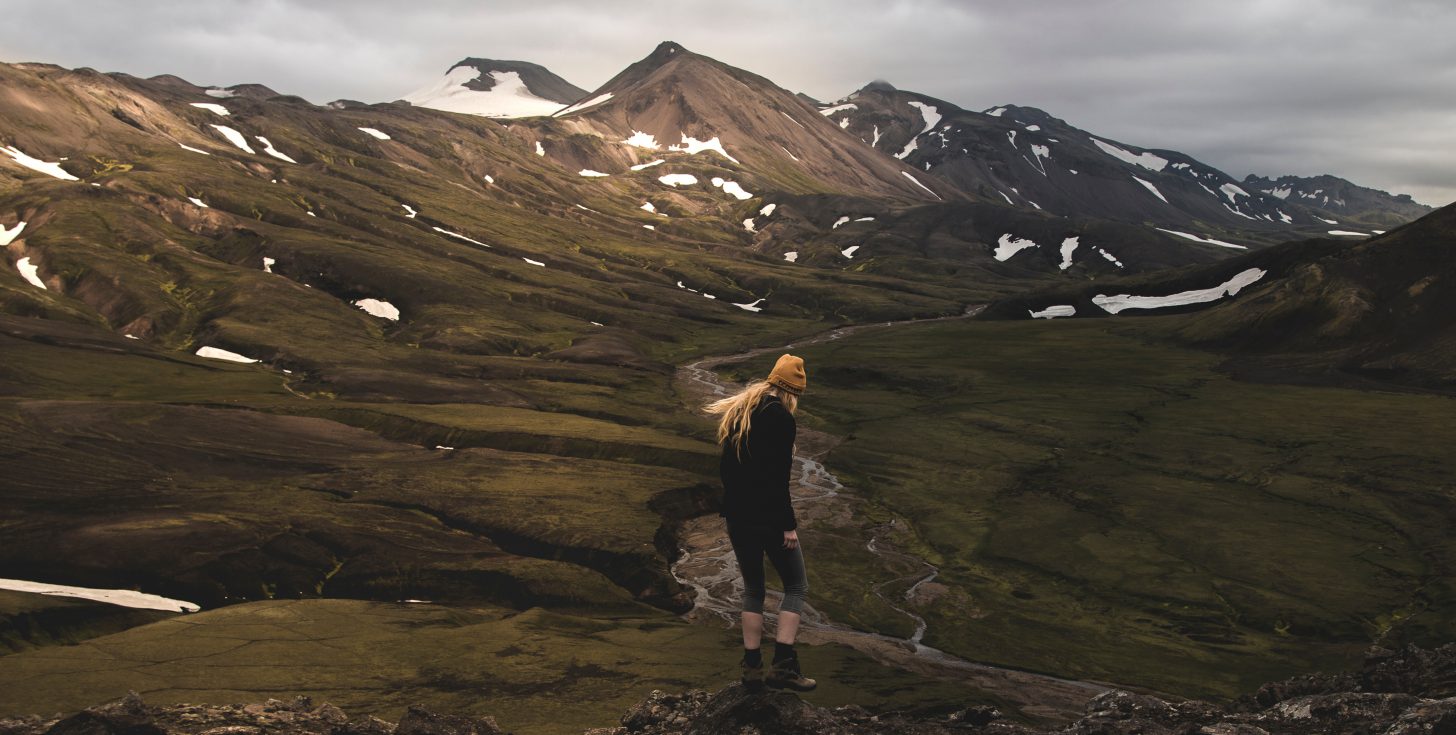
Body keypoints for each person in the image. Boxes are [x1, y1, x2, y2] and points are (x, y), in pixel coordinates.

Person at [704, 353, 815, 692]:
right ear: (791, 391)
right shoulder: (780, 418)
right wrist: (787, 525)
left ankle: (751, 670)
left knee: (754, 590)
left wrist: (735, 507)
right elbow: (776, 479)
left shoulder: (741, 413)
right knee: (796, 586)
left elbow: (728, 470)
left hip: (738, 517)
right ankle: (784, 665)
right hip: (768, 518)